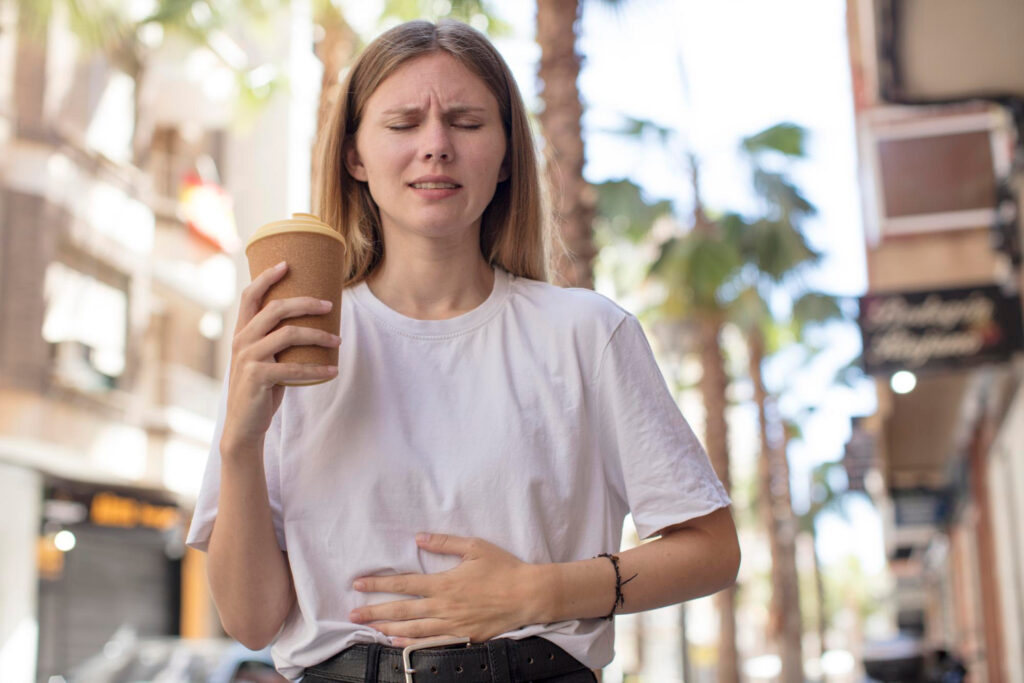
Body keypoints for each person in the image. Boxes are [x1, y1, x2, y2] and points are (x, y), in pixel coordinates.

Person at [186, 18, 740, 683]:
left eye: (467, 121)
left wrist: (542, 592)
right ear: (355, 156)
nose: (436, 146)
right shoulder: (293, 342)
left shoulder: (589, 333)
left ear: (506, 154)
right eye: (402, 124)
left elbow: (711, 550)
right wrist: (240, 444)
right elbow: (251, 621)